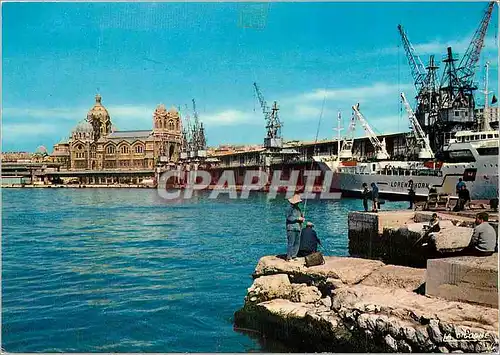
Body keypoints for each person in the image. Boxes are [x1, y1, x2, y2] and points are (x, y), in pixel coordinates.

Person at [285, 193, 304, 261]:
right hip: (291, 228)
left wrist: (302, 219)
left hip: (298, 228)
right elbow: (289, 218)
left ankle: (294, 256)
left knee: (297, 243)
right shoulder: (289, 208)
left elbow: (300, 218)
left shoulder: (298, 209)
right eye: (297, 202)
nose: (298, 203)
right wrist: (297, 218)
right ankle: (289, 257)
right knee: (291, 243)